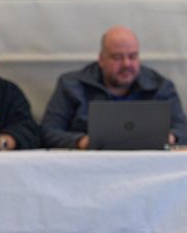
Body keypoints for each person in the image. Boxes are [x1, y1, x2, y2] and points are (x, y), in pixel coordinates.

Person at [41, 26, 187, 149]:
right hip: (89, 167)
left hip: (148, 167)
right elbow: (48, 132)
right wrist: (82, 142)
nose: (126, 64)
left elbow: (182, 128)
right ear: (101, 59)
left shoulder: (160, 87)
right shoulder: (72, 85)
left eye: (133, 56)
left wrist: (170, 138)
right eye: (117, 57)